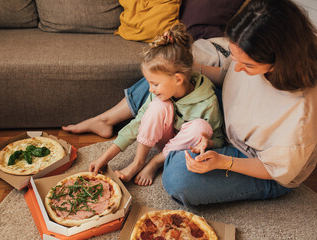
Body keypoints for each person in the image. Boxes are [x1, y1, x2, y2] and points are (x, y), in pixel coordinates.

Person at [64, 0, 317, 206]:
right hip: (225, 119)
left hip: (262, 165)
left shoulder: (299, 114)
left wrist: (222, 161)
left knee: (179, 178)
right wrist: (179, 61)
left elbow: (278, 170)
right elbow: (226, 76)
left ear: (280, 59)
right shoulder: (249, 58)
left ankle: (162, 156)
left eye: (248, 65)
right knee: (164, 77)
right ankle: (108, 120)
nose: (238, 68)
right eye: (236, 58)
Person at [83, 23, 224, 186]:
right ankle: (138, 162)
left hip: (180, 149)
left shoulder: (208, 101)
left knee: (201, 127)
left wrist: (208, 142)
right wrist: (104, 157)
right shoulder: (161, 95)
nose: (150, 89)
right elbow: (137, 124)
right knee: (159, 105)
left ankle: (155, 162)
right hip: (162, 138)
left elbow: (218, 140)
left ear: (178, 79)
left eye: (155, 84)